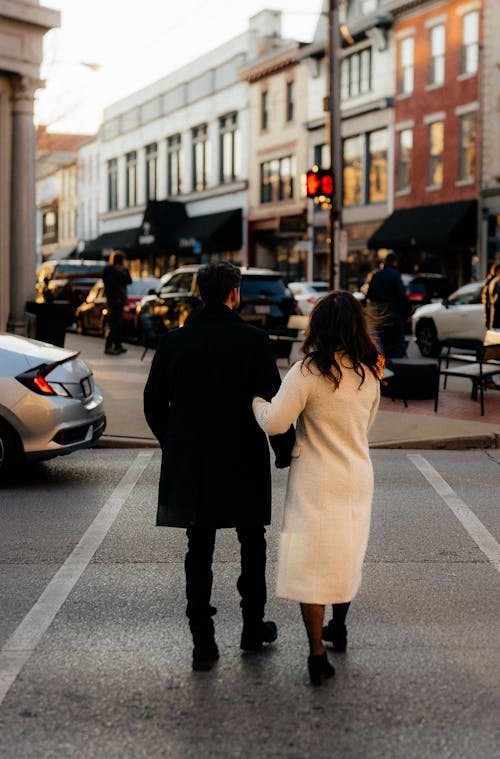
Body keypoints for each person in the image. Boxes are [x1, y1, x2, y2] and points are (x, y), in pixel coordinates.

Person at [143, 262, 295, 672]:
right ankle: (251, 627)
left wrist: (173, 441)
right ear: (233, 294)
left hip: (193, 458)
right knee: (252, 541)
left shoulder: (174, 343)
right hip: (242, 456)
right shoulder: (254, 341)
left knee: (199, 546)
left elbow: (153, 404)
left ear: (199, 294)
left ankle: (203, 642)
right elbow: (272, 404)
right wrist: (284, 450)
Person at [252, 291, 382, 686]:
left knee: (312, 565)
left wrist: (257, 403)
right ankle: (338, 628)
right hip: (357, 474)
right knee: (346, 555)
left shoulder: (307, 372)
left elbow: (276, 423)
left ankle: (316, 652)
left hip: (316, 480)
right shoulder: (370, 373)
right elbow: (367, 426)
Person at [366, 252, 410, 358]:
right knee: (397, 345)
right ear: (395, 262)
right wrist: (407, 313)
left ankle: (384, 368)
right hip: (394, 315)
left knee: (382, 346)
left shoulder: (376, 275)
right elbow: (401, 296)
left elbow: (370, 295)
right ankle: (396, 368)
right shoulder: (395, 274)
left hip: (380, 315)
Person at [102, 250, 132, 355]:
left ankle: (118, 345)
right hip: (116, 300)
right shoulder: (115, 271)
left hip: (114, 300)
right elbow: (128, 280)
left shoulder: (108, 270)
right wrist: (124, 270)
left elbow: (128, 281)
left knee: (117, 323)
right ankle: (109, 346)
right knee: (115, 323)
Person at [482, 263, 500, 329]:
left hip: (492, 302)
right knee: (490, 317)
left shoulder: (495, 279)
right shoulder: (492, 279)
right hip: (490, 302)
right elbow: (490, 291)